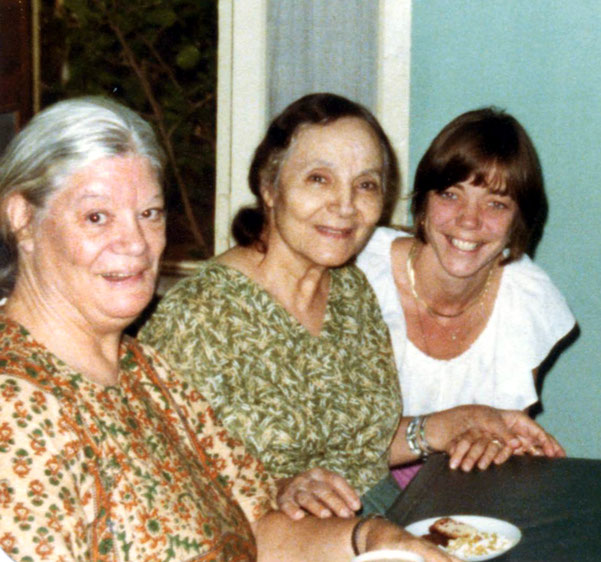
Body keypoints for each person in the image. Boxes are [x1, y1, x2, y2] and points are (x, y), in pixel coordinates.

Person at [0, 96, 460, 562]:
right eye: (97, 217)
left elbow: (258, 523)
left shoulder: (146, 372)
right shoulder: (16, 407)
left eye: (149, 214)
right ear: (22, 219)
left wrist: (372, 539)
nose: (135, 243)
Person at [140, 93, 565, 519]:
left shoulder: (349, 289)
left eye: (365, 185)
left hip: (379, 520)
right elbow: (162, 484)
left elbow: (360, 448)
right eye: (319, 179)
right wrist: (274, 489)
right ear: (270, 186)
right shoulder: (199, 316)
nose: (345, 206)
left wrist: (459, 421)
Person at [356, 107, 575, 487]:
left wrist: (503, 444)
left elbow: (490, 447)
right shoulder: (359, 272)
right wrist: (444, 428)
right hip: (350, 488)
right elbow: (326, 440)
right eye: (450, 194)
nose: (469, 221)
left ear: (518, 222)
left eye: (496, 204)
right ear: (423, 203)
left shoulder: (527, 301)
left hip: (454, 490)